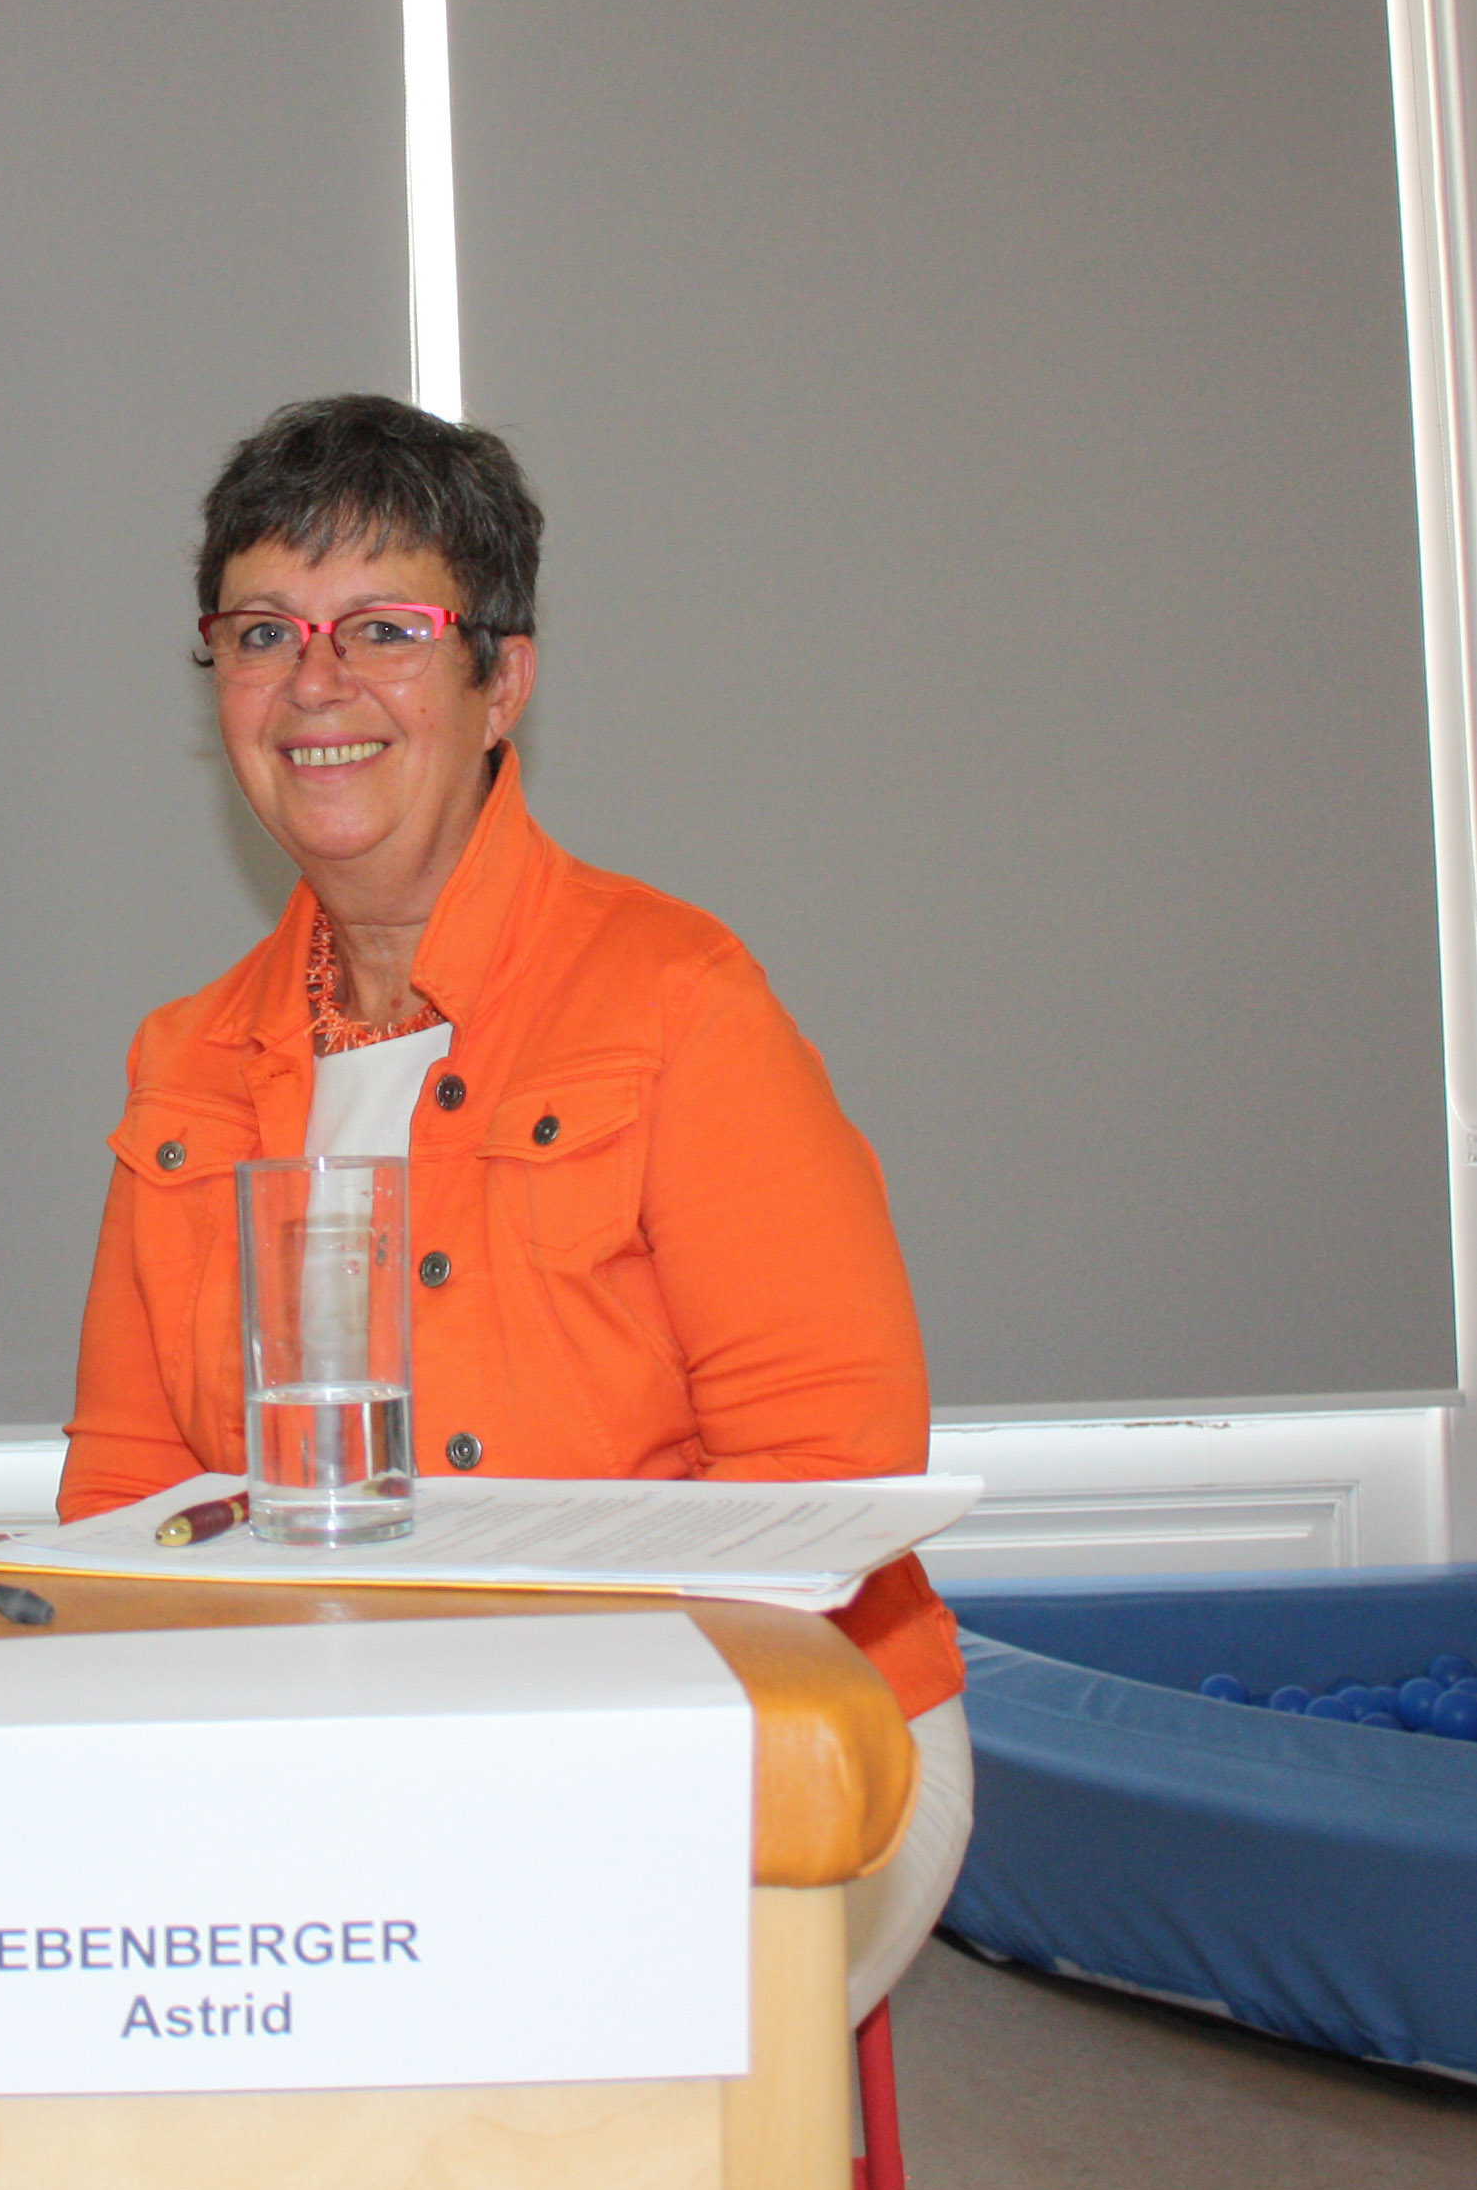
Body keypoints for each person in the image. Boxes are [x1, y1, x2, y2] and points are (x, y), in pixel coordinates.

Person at [58, 394, 967, 2024]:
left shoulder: (677, 996)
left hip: (766, 1728)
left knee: (449, 2040)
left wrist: (524, 1761)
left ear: (504, 680)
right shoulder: (185, 1059)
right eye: (263, 631)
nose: (314, 681)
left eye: (383, 628)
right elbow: (125, 1504)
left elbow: (822, 1473)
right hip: (343, 1747)